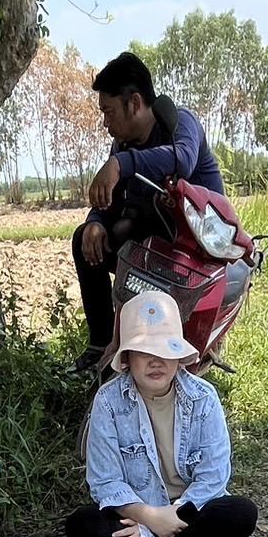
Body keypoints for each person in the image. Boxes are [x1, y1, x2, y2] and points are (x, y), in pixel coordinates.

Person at [66, 292, 257, 537]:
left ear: (179, 355)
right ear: (127, 359)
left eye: (165, 349)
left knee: (240, 512)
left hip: (192, 508)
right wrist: (150, 520)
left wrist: (167, 521)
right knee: (82, 526)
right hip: (138, 509)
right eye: (143, 351)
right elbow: (105, 481)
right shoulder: (109, 400)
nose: (155, 361)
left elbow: (213, 477)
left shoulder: (203, 397)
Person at [70, 51, 225, 374]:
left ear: (135, 102)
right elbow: (112, 202)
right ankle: (101, 343)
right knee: (85, 239)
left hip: (193, 247)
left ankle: (187, 347)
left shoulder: (181, 124)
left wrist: (119, 164)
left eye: (109, 112)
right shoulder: (123, 146)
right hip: (150, 243)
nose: (105, 123)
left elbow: (182, 159)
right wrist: (96, 221)